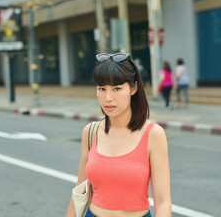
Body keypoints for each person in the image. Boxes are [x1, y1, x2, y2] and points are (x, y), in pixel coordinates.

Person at [66, 53, 171, 217]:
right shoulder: (91, 132)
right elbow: (79, 190)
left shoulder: (153, 134)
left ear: (134, 88)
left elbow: (163, 201)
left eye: (116, 88)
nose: (108, 98)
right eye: (102, 89)